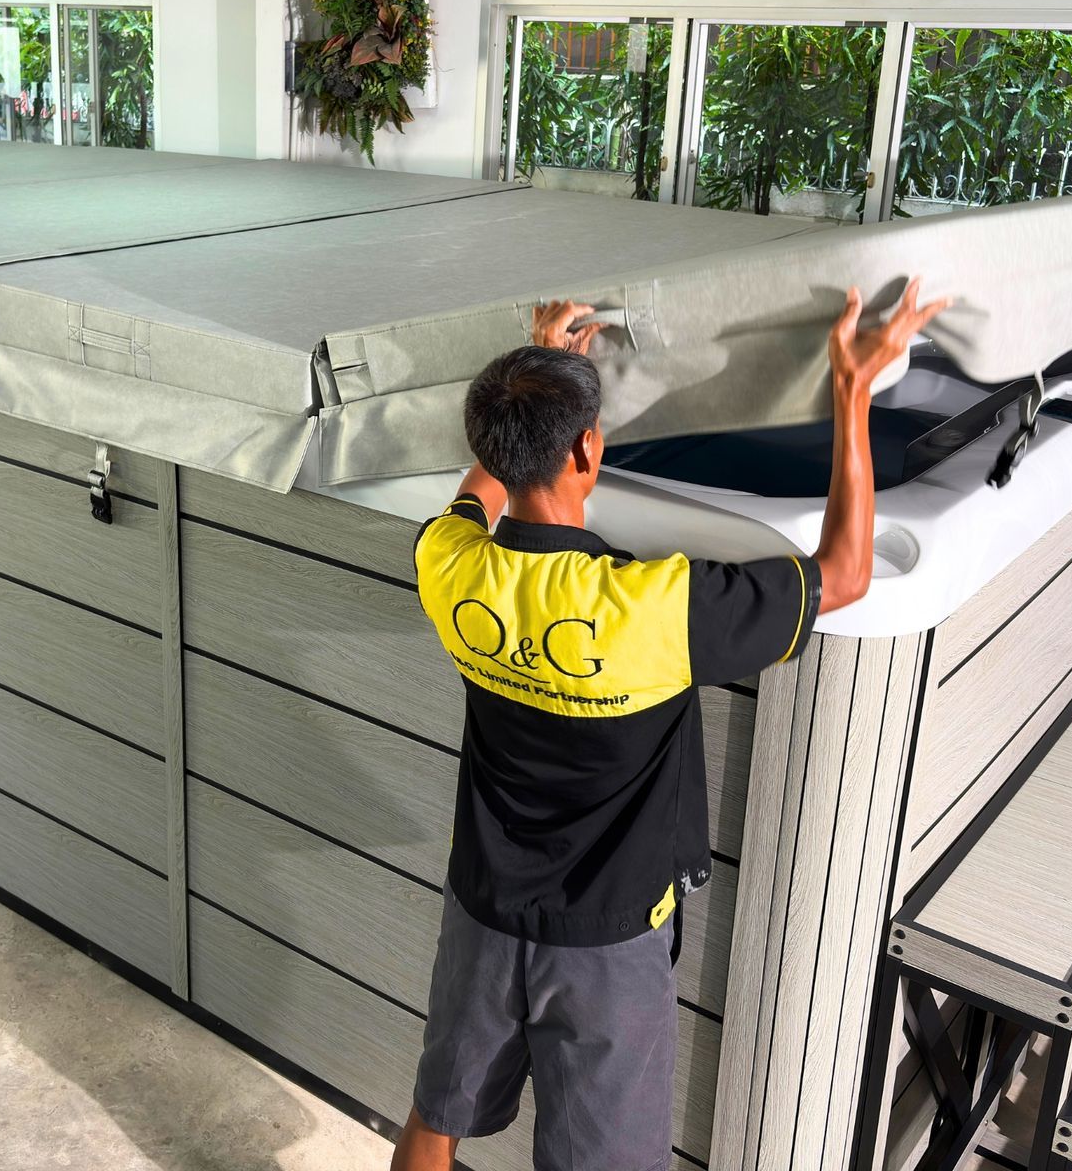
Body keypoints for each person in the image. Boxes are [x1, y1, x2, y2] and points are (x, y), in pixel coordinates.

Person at [392, 280, 948, 1171]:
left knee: (435, 1117)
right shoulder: (651, 607)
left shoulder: (448, 568)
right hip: (607, 943)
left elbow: (478, 492)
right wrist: (851, 387)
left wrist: (538, 379)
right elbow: (845, 573)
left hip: (483, 908)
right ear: (589, 448)